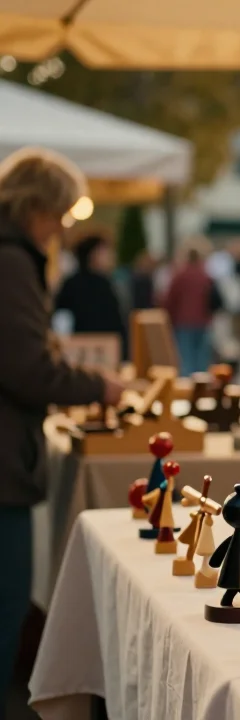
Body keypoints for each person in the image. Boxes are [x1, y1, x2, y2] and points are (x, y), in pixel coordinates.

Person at [0, 148, 123, 696]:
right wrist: (98, 386)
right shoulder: (11, 260)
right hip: (3, 467)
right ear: (37, 207)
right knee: (5, 611)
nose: (62, 229)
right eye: (60, 215)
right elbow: (26, 368)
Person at [55, 233, 127, 346]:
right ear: (92, 254)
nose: (111, 256)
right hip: (98, 348)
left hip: (81, 347)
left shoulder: (71, 282)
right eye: (105, 251)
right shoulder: (102, 285)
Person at [163, 242, 224, 376]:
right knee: (202, 360)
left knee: (186, 359)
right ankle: (201, 384)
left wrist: (169, 320)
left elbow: (170, 300)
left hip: (183, 322)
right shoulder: (206, 277)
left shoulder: (180, 276)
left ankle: (188, 385)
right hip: (203, 321)